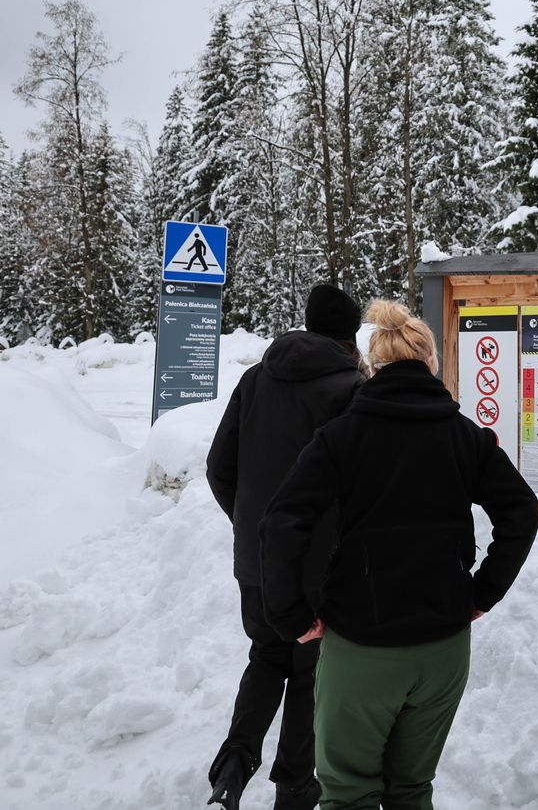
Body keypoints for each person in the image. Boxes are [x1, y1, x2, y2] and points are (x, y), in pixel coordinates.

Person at [257, 299, 538, 810]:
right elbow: (522, 511)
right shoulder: (465, 437)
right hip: (444, 649)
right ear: (430, 364)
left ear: (374, 366)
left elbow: (282, 522)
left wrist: (290, 615)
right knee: (412, 789)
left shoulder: (341, 437)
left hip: (363, 646)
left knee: (349, 793)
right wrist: (481, 593)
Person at [205, 284, 366, 810]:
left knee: (267, 656)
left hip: (257, 564)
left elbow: (219, 467)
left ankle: (234, 761)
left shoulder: (255, 379)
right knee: (309, 675)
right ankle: (295, 786)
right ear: (350, 336)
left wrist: (254, 527)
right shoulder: (349, 388)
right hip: (321, 568)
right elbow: (357, 485)